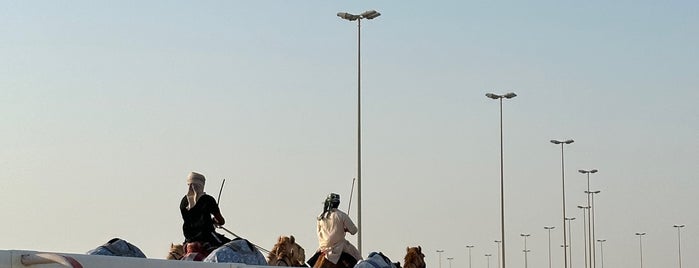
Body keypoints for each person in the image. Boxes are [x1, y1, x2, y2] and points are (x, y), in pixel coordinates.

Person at [180, 171, 230, 252]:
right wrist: (215, 221)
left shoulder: (183, 202)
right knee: (234, 247)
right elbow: (221, 221)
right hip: (207, 237)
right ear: (201, 185)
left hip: (188, 240)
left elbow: (194, 219)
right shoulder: (208, 200)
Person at [312, 193, 362, 267]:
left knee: (311, 262)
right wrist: (346, 229)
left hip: (323, 247)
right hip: (339, 246)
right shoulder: (342, 215)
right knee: (359, 259)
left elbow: (319, 232)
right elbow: (354, 231)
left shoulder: (320, 217)